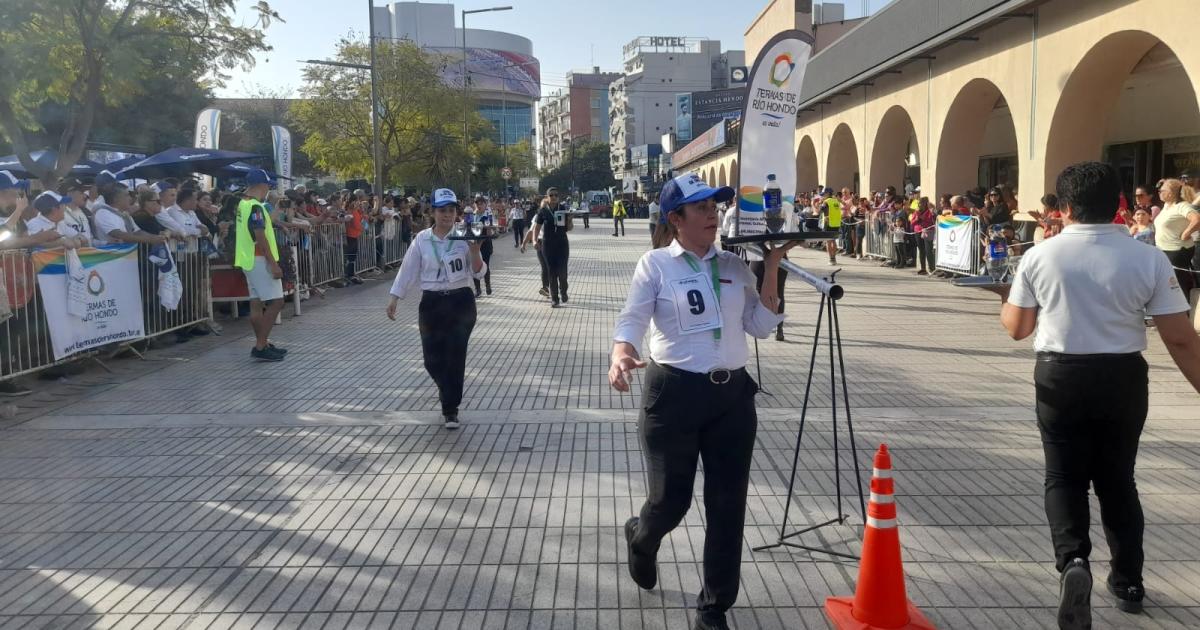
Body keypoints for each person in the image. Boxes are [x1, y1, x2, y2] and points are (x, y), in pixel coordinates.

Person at [997, 161, 1200, 629]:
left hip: (1059, 376)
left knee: (1063, 478)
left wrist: (1006, 302)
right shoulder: (1147, 258)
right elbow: (1181, 338)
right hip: (1123, 376)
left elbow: (1017, 328)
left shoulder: (1040, 255)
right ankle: (1128, 581)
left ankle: (1073, 564)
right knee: (1118, 480)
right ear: (1118, 204)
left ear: (1064, 206)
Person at [609, 172, 792, 630]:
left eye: (716, 206)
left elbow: (760, 325)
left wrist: (770, 268)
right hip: (674, 395)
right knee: (671, 501)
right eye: (702, 207)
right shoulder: (655, 265)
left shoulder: (733, 266)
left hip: (731, 398)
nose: (713, 214)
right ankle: (642, 537)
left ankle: (713, 606)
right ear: (676, 218)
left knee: (728, 506)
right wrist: (621, 351)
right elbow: (632, 317)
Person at [386, 188, 486, 430]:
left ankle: (450, 408)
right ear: (432, 212)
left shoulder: (464, 234)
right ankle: (447, 390)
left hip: (460, 301)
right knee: (432, 359)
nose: (447, 215)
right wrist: (395, 297)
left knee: (455, 355)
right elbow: (408, 269)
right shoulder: (422, 239)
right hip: (432, 302)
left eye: (451, 210)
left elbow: (479, 272)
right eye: (442, 210)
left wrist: (474, 250)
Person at [234, 169, 287, 362]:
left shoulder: (243, 204)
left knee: (256, 303)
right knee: (277, 302)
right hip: (259, 259)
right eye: (267, 185)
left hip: (248, 260)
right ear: (261, 186)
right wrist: (273, 264)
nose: (268, 189)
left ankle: (263, 342)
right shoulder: (255, 207)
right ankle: (260, 345)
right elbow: (260, 235)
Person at [1152, 179, 1199, 296]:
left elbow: (1197, 220)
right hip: (1164, 249)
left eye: (1162, 190)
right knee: (1167, 283)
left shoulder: (1182, 206)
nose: (1159, 192)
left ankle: (1184, 311)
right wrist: (1165, 182)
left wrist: (1186, 233)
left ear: (1171, 193)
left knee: (1177, 284)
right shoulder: (1167, 206)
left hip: (1177, 251)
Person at [533, 187, 571, 308]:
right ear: (547, 197)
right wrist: (534, 240)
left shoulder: (563, 209)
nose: (554, 197)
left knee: (563, 273)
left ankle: (563, 290)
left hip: (562, 244)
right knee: (551, 272)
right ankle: (555, 299)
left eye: (556, 195)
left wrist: (570, 221)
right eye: (551, 195)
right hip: (548, 245)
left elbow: (569, 228)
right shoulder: (543, 211)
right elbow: (537, 227)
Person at [910, 197, 935, 275]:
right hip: (918, 231)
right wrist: (917, 219)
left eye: (922, 203)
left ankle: (932, 268)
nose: (920, 204)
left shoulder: (929, 211)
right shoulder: (916, 212)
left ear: (926, 203)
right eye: (919, 203)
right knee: (921, 250)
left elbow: (931, 221)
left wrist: (924, 219)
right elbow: (912, 223)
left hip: (927, 231)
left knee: (928, 250)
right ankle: (923, 268)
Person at [819, 187, 843, 265]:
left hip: (828, 223)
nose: (822, 196)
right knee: (833, 241)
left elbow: (821, 210)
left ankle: (831, 259)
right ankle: (834, 258)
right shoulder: (836, 201)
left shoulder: (826, 202)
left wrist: (820, 203)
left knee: (828, 242)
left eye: (823, 194)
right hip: (836, 223)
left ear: (827, 193)